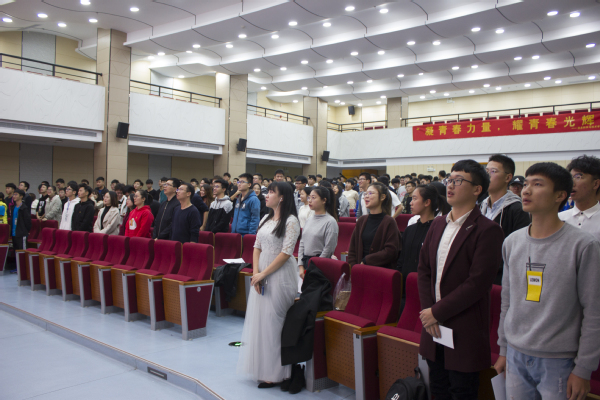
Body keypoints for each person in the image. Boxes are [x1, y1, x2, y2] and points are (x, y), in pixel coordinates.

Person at [495, 162, 600, 400]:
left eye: (537, 184)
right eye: (526, 184)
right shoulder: (512, 242)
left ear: (560, 195)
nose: (526, 190)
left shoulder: (583, 245)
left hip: (559, 359)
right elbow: (507, 301)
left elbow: (594, 310)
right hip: (515, 353)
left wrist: (583, 369)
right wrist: (503, 349)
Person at [417, 160, 504, 400]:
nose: (450, 185)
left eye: (458, 180)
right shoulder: (437, 223)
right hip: (433, 325)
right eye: (449, 180)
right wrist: (428, 312)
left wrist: (437, 312)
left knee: (462, 391)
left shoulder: (487, 230)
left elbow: (478, 283)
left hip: (464, 326)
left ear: (477, 189)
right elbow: (424, 270)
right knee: (438, 388)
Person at [237, 181, 301, 388]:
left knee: (275, 324)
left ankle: (277, 373)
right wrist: (256, 273)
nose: (267, 195)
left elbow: (286, 253)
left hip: (280, 275)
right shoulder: (265, 218)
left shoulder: (291, 221)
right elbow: (257, 246)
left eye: (272, 192)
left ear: (282, 197)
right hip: (262, 273)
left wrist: (263, 273)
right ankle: (263, 369)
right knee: (261, 323)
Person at [480, 154, 530, 284]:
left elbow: (520, 251)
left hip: (502, 278)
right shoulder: (481, 206)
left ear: (508, 177)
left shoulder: (518, 210)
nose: (487, 175)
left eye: (493, 171)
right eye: (486, 171)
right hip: (480, 274)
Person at [398, 184, 450, 298]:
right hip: (406, 285)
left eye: (415, 199)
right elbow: (402, 259)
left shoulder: (438, 231)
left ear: (427, 202)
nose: (411, 203)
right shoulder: (409, 229)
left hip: (426, 288)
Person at [347, 182, 401, 269]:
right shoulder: (361, 220)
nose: (366, 196)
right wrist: (354, 267)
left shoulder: (389, 222)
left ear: (382, 197)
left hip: (379, 271)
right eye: (365, 194)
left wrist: (366, 261)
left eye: (370, 193)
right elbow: (352, 248)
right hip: (359, 270)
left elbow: (391, 251)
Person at [297, 186, 339, 278]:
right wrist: (300, 265)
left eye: (313, 197)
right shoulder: (309, 220)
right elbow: (302, 243)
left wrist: (315, 266)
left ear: (324, 200)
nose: (310, 200)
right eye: (309, 197)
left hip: (320, 266)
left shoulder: (330, 222)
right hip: (306, 263)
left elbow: (328, 248)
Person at [559, 155, 600, 241]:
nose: (572, 183)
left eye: (578, 177)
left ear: (595, 184)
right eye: (570, 178)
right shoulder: (559, 219)